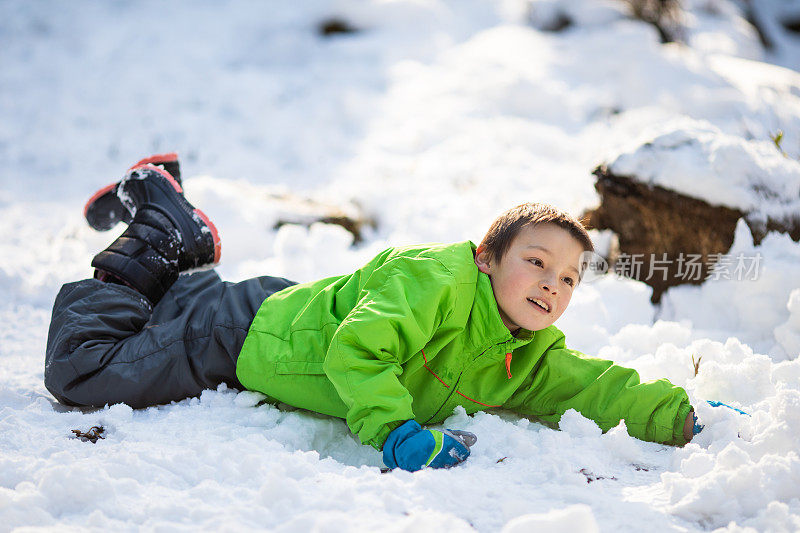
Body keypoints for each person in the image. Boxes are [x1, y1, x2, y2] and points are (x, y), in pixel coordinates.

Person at [45, 153, 697, 473]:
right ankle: (158, 231)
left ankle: (176, 253)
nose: (552, 283)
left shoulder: (521, 350)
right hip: (252, 335)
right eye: (536, 260)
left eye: (568, 277)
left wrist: (668, 412)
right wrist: (395, 430)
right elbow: (359, 348)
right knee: (80, 371)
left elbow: (585, 383)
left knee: (163, 321)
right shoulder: (437, 277)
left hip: (281, 314)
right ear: (485, 257)